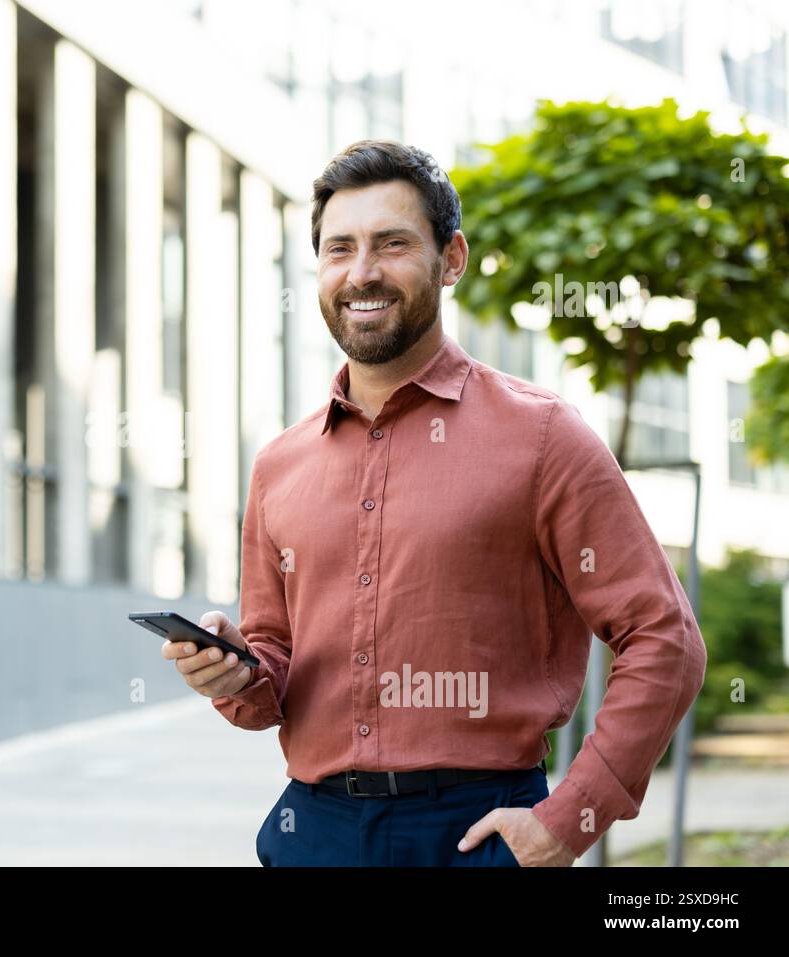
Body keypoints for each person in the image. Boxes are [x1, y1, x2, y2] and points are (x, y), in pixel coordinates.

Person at [161, 139, 707, 867]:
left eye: (392, 244)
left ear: (451, 259)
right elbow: (273, 679)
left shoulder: (542, 437)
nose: (362, 273)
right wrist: (232, 676)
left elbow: (665, 639)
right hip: (311, 832)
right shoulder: (278, 465)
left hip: (476, 834)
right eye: (339, 248)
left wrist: (567, 820)